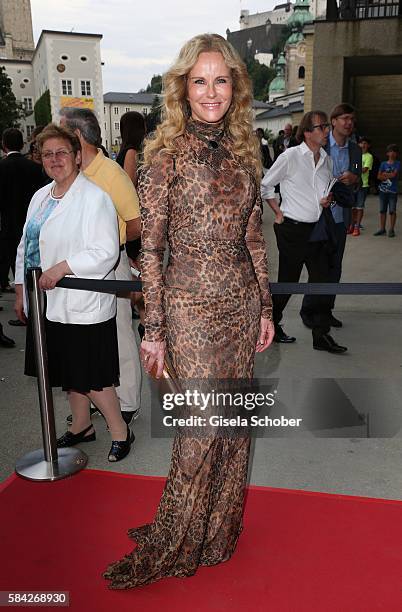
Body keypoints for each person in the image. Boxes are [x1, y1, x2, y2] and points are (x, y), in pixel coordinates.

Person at [103, 32, 274, 589]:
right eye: (199, 80)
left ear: (235, 88)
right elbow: (148, 247)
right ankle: (178, 536)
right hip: (189, 309)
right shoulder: (163, 157)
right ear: (182, 88)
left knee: (232, 427)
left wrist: (266, 306)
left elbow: (254, 237)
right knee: (200, 429)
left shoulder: (247, 152)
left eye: (220, 80)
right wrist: (152, 328)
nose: (211, 91)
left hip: (241, 305)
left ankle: (217, 533)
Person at [14, 124, 134, 462]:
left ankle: (120, 431)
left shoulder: (95, 198)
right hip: (47, 301)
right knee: (67, 372)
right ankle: (82, 425)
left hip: (83, 302)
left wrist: (62, 267)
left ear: (77, 157)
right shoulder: (41, 196)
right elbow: (27, 244)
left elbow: (106, 251)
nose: (55, 159)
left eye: (62, 152)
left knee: (93, 377)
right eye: (48, 154)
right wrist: (22, 290)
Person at [59, 108, 142, 426]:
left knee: (119, 332)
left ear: (77, 136)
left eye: (63, 131)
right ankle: (99, 396)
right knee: (88, 337)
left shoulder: (111, 173)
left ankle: (129, 401)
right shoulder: (73, 172)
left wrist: (113, 244)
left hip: (110, 266)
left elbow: (136, 224)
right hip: (78, 268)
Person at [261, 110, 348, 353]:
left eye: (325, 127)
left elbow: (325, 191)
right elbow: (266, 185)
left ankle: (321, 336)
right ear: (307, 132)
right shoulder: (290, 156)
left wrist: (328, 200)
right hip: (293, 230)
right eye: (321, 127)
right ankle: (273, 323)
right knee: (288, 281)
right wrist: (278, 213)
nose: (326, 132)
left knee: (321, 281)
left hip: (318, 230)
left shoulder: (326, 160)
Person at [300, 103, 361, 329]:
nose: (349, 123)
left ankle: (326, 311)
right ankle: (308, 310)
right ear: (333, 122)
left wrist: (355, 180)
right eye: (344, 118)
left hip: (339, 219)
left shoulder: (355, 150)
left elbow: (360, 184)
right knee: (317, 269)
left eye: (352, 119)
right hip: (318, 217)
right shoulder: (321, 145)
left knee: (335, 268)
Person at [0, 128, 45, 294]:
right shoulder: (34, 167)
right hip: (31, 221)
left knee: (14, 261)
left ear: (4, 145)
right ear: (22, 144)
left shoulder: (2, 166)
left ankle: (21, 296)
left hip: (7, 224)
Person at [116, 111, 147, 331]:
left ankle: (146, 322)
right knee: (141, 277)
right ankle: (147, 325)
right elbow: (129, 189)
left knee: (137, 277)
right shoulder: (132, 153)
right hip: (133, 220)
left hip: (126, 221)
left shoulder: (122, 152)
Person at [374, 144, 400, 237]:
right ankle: (382, 228)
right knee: (382, 210)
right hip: (382, 190)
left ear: (396, 154)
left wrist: (384, 174)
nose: (392, 153)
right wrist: (386, 175)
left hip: (392, 191)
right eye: (390, 151)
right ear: (387, 153)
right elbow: (378, 176)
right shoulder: (383, 164)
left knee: (392, 210)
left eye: (394, 151)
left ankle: (391, 229)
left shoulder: (398, 163)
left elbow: (394, 175)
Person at [351, 137, 373, 236]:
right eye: (361, 143)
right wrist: (355, 168)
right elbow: (354, 166)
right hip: (353, 184)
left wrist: (355, 169)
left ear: (368, 145)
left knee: (359, 207)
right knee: (353, 207)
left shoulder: (369, 156)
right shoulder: (356, 155)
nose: (363, 145)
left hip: (363, 185)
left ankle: (357, 227)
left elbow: (364, 169)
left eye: (365, 143)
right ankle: (352, 225)